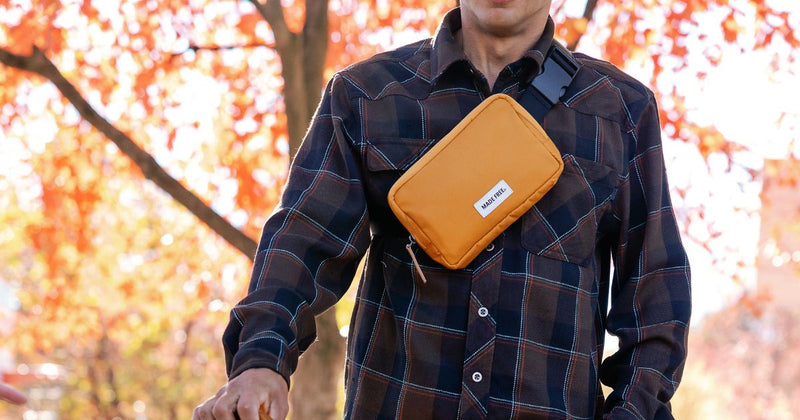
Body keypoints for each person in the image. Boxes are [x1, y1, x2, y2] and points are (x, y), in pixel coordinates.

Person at [194, 0, 691, 418]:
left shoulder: (621, 112)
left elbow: (656, 298)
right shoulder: (365, 97)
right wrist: (261, 359)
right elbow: (301, 242)